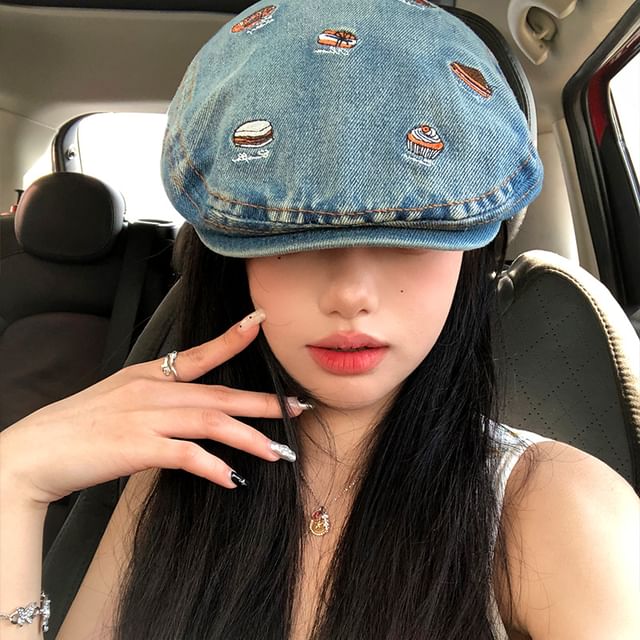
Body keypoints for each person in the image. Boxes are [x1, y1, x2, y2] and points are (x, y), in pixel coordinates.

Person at [1, 1, 638, 638]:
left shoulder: (559, 510)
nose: (350, 295)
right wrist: (14, 481)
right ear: (235, 256)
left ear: (472, 249)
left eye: (409, 233)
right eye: (295, 236)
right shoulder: (177, 469)